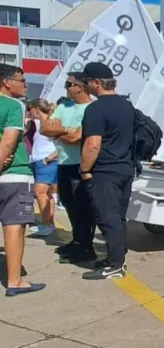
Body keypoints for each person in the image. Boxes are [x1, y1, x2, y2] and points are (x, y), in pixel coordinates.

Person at [77, 62, 135, 280]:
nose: (85, 86)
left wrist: (84, 170)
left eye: (87, 82)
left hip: (105, 171)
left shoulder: (96, 108)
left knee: (107, 217)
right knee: (118, 218)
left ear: (97, 83)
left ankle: (115, 265)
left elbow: (93, 144)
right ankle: (116, 256)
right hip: (125, 169)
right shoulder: (126, 105)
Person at [0, 64, 45, 296]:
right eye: (21, 79)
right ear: (7, 82)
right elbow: (8, 142)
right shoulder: (13, 105)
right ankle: (15, 280)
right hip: (13, 175)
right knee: (14, 226)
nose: (25, 84)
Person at [40, 72, 94, 263]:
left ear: (80, 86)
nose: (66, 87)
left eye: (68, 84)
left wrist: (59, 131)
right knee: (69, 205)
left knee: (83, 208)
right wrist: (66, 131)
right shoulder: (64, 106)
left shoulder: (91, 108)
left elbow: (76, 138)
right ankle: (77, 240)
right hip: (63, 163)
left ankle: (86, 246)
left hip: (81, 165)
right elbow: (44, 128)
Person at [26, 99, 59, 237]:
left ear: (36, 108)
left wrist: (49, 158)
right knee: (46, 194)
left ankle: (46, 225)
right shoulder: (39, 124)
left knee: (40, 192)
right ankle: (49, 223)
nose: (29, 111)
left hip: (47, 161)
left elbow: (61, 144)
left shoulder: (51, 123)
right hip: (38, 160)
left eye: (30, 109)